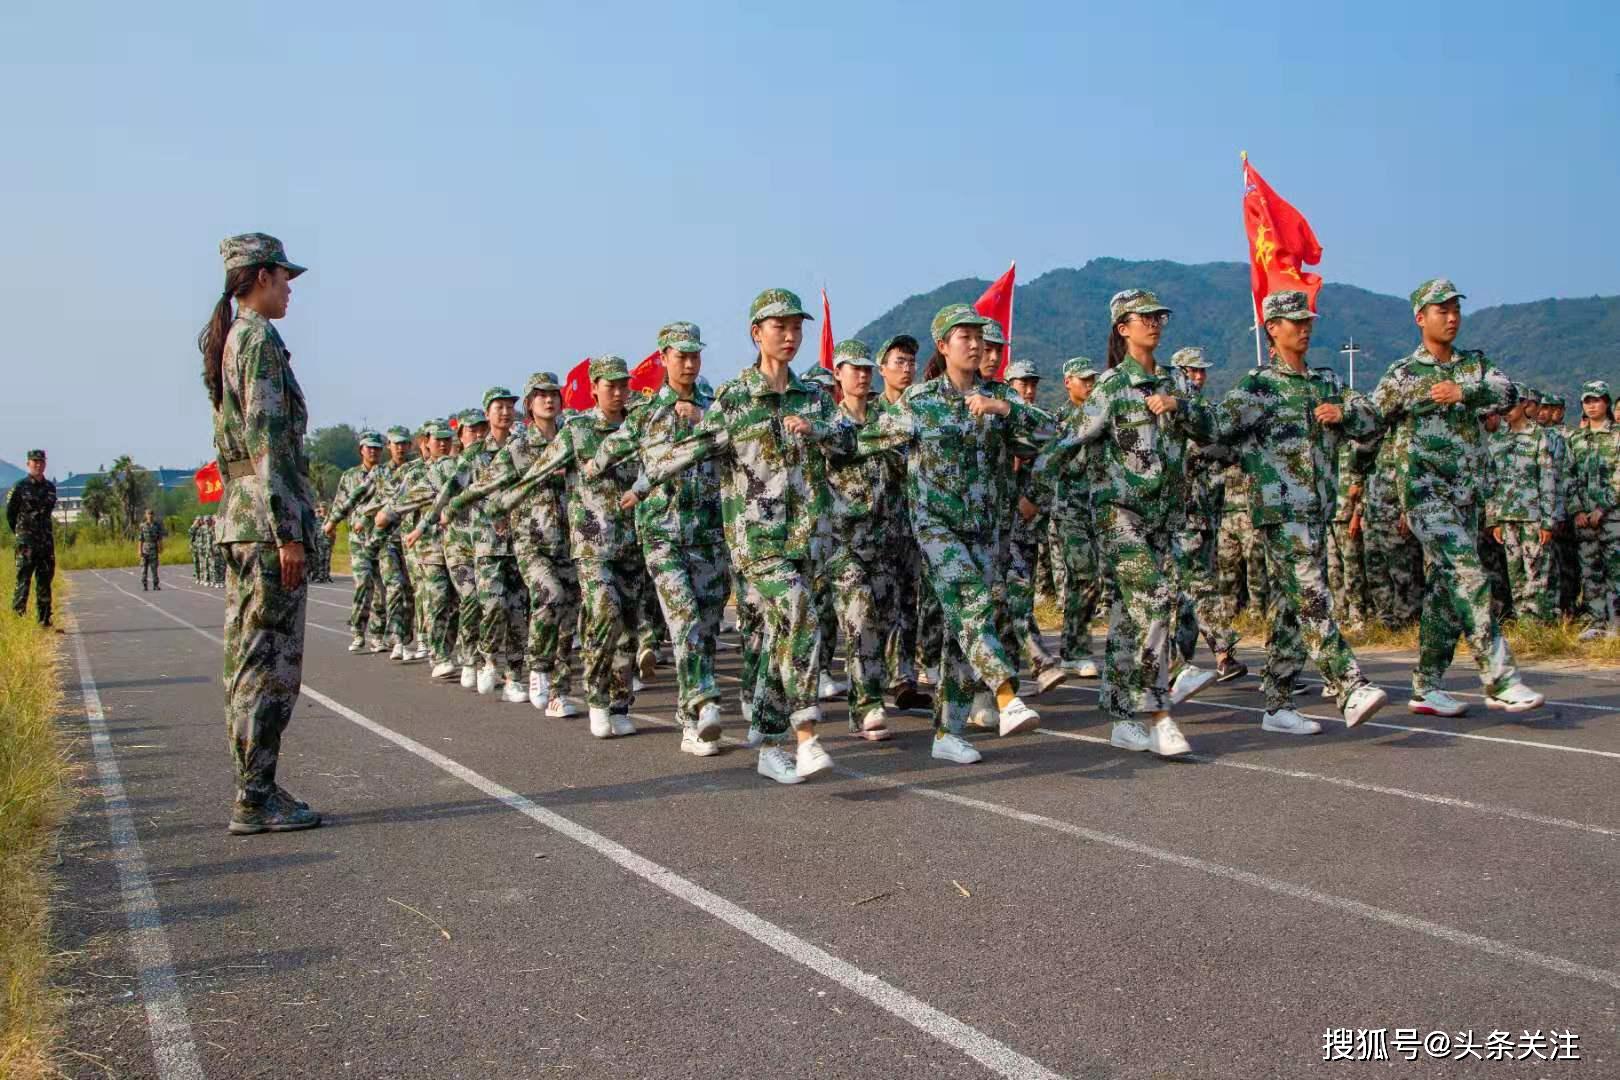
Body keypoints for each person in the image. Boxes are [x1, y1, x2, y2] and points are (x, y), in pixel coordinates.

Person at [630, 288, 852, 784]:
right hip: (757, 542)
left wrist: (821, 434)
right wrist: (643, 483)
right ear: (757, 334)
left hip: (809, 538)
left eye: (797, 327)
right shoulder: (733, 397)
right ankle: (806, 733)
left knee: (779, 639)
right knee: (799, 612)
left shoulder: (815, 397)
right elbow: (696, 446)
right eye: (780, 327)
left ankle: (770, 745)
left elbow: (851, 440)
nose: (791, 336)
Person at [1028, 289, 1213, 757]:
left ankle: (1119, 710)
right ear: (1123, 328)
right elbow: (1068, 441)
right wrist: (1033, 495)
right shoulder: (1110, 387)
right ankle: (1158, 713)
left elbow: (1211, 429)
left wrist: (1181, 407)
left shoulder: (1176, 383)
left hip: (1164, 519)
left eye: (1158, 316)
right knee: (1154, 601)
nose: (1153, 323)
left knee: (1129, 618)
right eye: (1142, 317)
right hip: (1120, 516)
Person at [862, 304, 1048, 763]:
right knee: (973, 604)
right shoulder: (919, 403)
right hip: (936, 529)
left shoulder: (998, 396)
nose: (975, 343)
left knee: (960, 631)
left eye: (979, 335)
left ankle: (948, 731)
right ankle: (1006, 695)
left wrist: (1003, 408)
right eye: (963, 336)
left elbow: (1051, 434)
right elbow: (865, 441)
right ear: (943, 346)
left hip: (986, 532)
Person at [1208, 291, 1388, 733]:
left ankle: (1277, 705)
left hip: (1316, 510)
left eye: (1307, 321)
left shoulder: (1326, 382)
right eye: (1294, 322)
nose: (1304, 328)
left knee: (1292, 608)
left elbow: (1373, 419)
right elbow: (1214, 426)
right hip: (1279, 511)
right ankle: (1348, 684)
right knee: (1311, 594)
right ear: (1272, 328)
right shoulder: (1258, 387)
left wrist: (1343, 413)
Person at [1367, 279, 1543, 715]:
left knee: (1446, 590)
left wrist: (1465, 392)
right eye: (1441, 310)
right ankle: (1500, 677)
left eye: (1455, 310)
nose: (1451, 317)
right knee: (1468, 574)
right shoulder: (1402, 375)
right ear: (1419, 318)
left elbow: (1509, 393)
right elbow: (1369, 420)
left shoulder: (1474, 366)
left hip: (1467, 497)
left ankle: (1426, 687)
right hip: (1425, 496)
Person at [197, 231, 320, 833]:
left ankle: (255, 787)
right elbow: (269, 440)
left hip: (243, 521)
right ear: (262, 276)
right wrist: (288, 533)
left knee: (248, 661)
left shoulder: (230, 341)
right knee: (271, 664)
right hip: (267, 527)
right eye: (285, 279)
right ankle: (256, 795)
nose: (290, 290)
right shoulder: (259, 340)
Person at [593, 325, 730, 754]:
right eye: (681, 356)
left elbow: (739, 445)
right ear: (663, 357)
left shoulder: (717, 407)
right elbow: (606, 453)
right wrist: (595, 469)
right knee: (684, 621)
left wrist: (706, 421)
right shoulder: (645, 413)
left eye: (695, 356)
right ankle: (704, 703)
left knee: (706, 628)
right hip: (662, 534)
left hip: (710, 534)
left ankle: (689, 719)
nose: (689, 364)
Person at [501, 360, 643, 736]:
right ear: (594, 387)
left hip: (627, 544)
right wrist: (500, 506)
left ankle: (616, 702)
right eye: (609, 385)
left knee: (623, 628)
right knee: (588, 608)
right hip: (575, 544)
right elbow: (528, 476)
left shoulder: (638, 426)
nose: (617, 391)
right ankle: (570, 685)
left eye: (622, 385)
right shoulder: (575, 434)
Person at [872, 335, 933, 712]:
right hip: (878, 523)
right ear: (882, 369)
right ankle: (874, 675)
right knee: (880, 604)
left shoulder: (923, 411)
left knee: (910, 603)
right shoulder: (872, 414)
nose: (907, 368)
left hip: (914, 522)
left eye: (911, 362)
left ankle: (904, 679)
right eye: (899, 362)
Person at [1486, 386, 1558, 622]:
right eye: (1502, 407)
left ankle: (1537, 625)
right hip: (1506, 517)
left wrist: (1547, 521)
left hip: (1533, 516)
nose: (1506, 411)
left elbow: (1546, 480)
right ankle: (1524, 624)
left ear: (1523, 405)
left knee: (1536, 573)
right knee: (1514, 573)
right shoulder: (1497, 439)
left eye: (1510, 406)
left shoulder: (1538, 435)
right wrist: (1493, 518)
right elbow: (1491, 482)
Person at [326, 431, 388, 651]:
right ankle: (358, 631)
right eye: (369, 447)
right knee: (364, 584)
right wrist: (331, 525)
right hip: (359, 539)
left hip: (382, 539)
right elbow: (340, 504)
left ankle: (378, 634)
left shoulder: (387, 474)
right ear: (361, 450)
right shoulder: (350, 476)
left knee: (382, 589)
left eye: (377, 448)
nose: (373, 451)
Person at [1569, 381, 1620, 639]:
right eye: (1587, 401)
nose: (1592, 405)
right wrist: (1577, 509)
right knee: (1590, 572)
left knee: (1616, 570)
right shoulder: (1575, 438)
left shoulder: (1617, 435)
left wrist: (1603, 506)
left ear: (1607, 403)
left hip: (1612, 517)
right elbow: (1567, 476)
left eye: (1597, 400)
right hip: (1584, 520)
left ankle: (1617, 623)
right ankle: (1596, 622)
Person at [7, 449, 56, 626]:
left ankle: (44, 619)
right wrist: (21, 533)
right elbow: (10, 514)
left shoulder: (50, 487)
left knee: (45, 579)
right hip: (26, 542)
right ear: (28, 464)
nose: (38, 465)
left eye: (41, 462)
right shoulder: (20, 487)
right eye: (35, 462)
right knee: (23, 579)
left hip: (45, 541)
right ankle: (18, 619)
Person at [137, 508, 164, 591]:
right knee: (144, 569)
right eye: (148, 514)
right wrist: (139, 550)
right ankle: (144, 585)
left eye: (151, 514)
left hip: (154, 548)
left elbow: (159, 538)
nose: (150, 515)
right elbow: (140, 539)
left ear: (153, 515)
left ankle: (156, 585)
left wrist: (160, 547)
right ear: (145, 515)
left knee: (154, 568)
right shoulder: (142, 526)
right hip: (145, 549)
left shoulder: (157, 526)